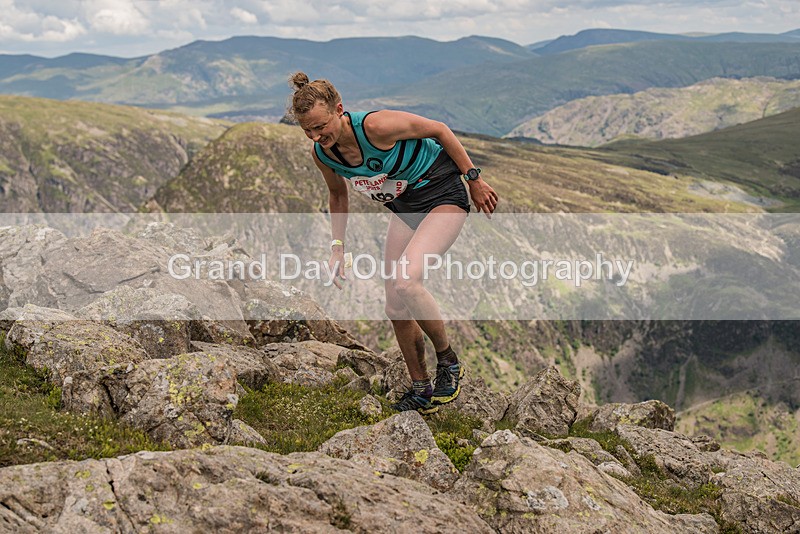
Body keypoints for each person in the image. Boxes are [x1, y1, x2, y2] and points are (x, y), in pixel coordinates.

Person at [288, 72, 498, 413]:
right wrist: (337, 248)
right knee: (394, 305)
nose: (316, 136)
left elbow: (440, 129)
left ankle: (448, 362)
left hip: (443, 193)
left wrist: (474, 179)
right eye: (307, 130)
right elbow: (336, 195)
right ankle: (420, 390)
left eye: (321, 126)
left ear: (339, 109)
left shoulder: (377, 127)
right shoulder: (323, 154)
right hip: (405, 208)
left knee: (406, 280)